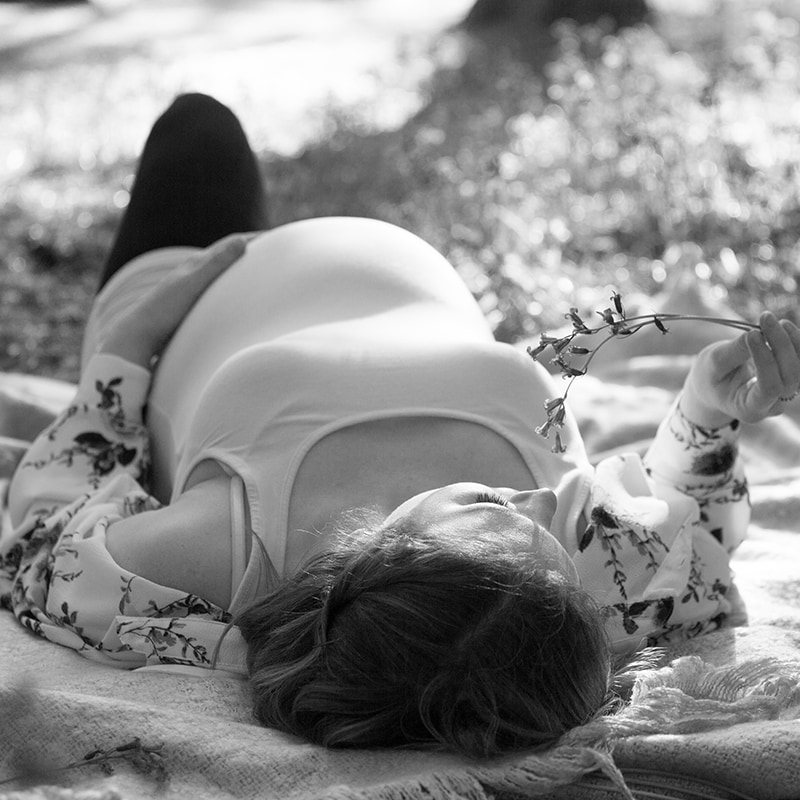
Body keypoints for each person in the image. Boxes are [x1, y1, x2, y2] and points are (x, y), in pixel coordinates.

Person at [2, 93, 799, 760]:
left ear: (398, 564)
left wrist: (125, 348)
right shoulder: (559, 585)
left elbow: (40, 542)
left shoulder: (224, 549)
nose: (545, 504)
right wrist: (705, 410)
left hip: (189, 285)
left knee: (199, 128)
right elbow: (694, 546)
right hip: (359, 261)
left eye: (498, 514)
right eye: (554, 543)